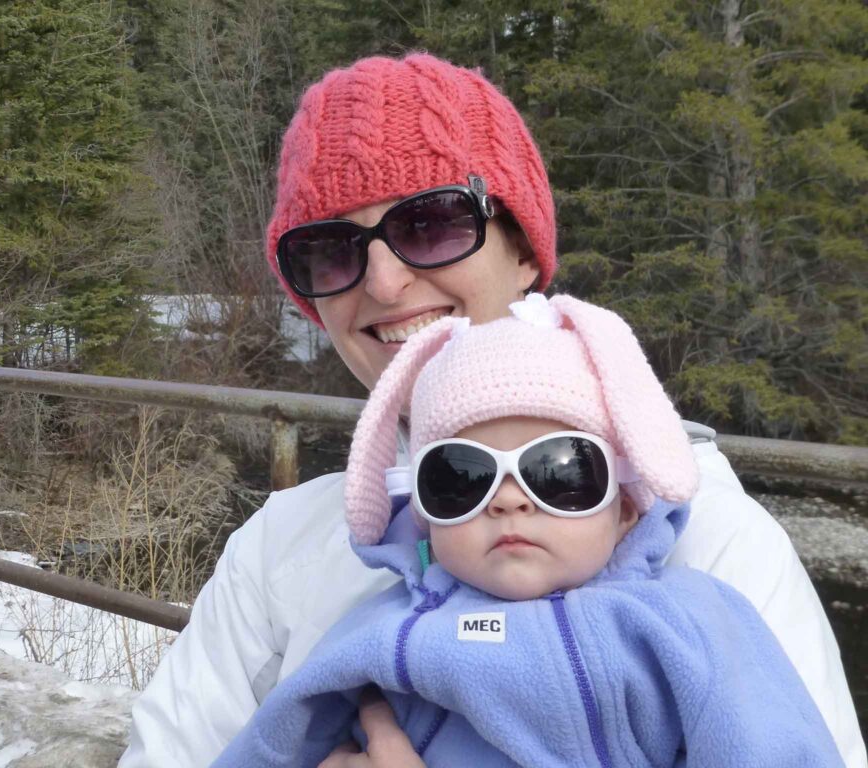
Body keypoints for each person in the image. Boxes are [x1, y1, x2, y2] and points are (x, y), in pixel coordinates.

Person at [119, 53, 866, 767]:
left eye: (432, 222)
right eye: (330, 249)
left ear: (525, 252)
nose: (382, 283)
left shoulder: (708, 535)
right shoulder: (279, 548)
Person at [208, 294, 845, 767]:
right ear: (423, 510)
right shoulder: (387, 630)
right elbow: (276, 739)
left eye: (561, 472)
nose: (509, 501)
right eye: (461, 477)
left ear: (626, 505)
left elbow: (776, 746)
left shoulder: (692, 623)